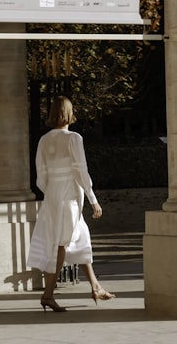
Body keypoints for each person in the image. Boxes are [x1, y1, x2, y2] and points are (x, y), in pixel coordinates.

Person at [27, 96, 115, 312]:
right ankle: (48, 294)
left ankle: (95, 286)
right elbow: (80, 170)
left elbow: (41, 175)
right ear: (69, 113)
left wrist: (52, 192)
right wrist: (93, 199)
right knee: (62, 244)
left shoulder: (44, 140)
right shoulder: (74, 138)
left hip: (53, 196)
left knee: (79, 236)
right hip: (69, 197)